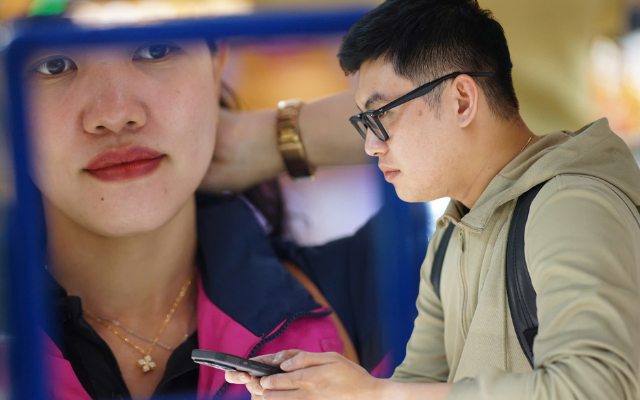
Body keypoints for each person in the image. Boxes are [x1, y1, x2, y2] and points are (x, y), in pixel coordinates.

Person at [222, 0, 640, 399]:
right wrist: (327, 388)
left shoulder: (568, 204)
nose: (370, 145)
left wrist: (373, 393)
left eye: (381, 115)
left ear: (462, 100)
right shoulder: (450, 237)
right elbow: (416, 386)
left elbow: (597, 389)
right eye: (364, 122)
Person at [18, 16, 422, 399]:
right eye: (54, 65)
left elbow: (458, 105)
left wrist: (269, 138)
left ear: (216, 65)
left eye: (156, 49)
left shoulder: (370, 294)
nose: (115, 115)